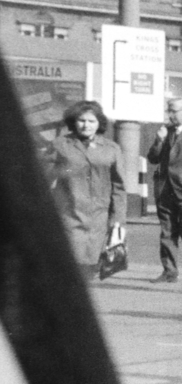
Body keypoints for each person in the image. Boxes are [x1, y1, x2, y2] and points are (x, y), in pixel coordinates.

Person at [46, 99, 125, 280]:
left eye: (91, 121)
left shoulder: (112, 149)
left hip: (99, 215)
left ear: (99, 124)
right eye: (81, 120)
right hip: (70, 213)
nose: (86, 125)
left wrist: (118, 218)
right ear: (74, 122)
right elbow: (44, 177)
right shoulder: (61, 145)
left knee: (91, 264)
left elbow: (119, 186)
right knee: (72, 261)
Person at [146, 96, 182, 283]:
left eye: (173, 111)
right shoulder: (165, 132)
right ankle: (169, 271)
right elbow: (153, 158)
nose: (169, 114)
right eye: (168, 110)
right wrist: (159, 141)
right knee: (167, 231)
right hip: (165, 189)